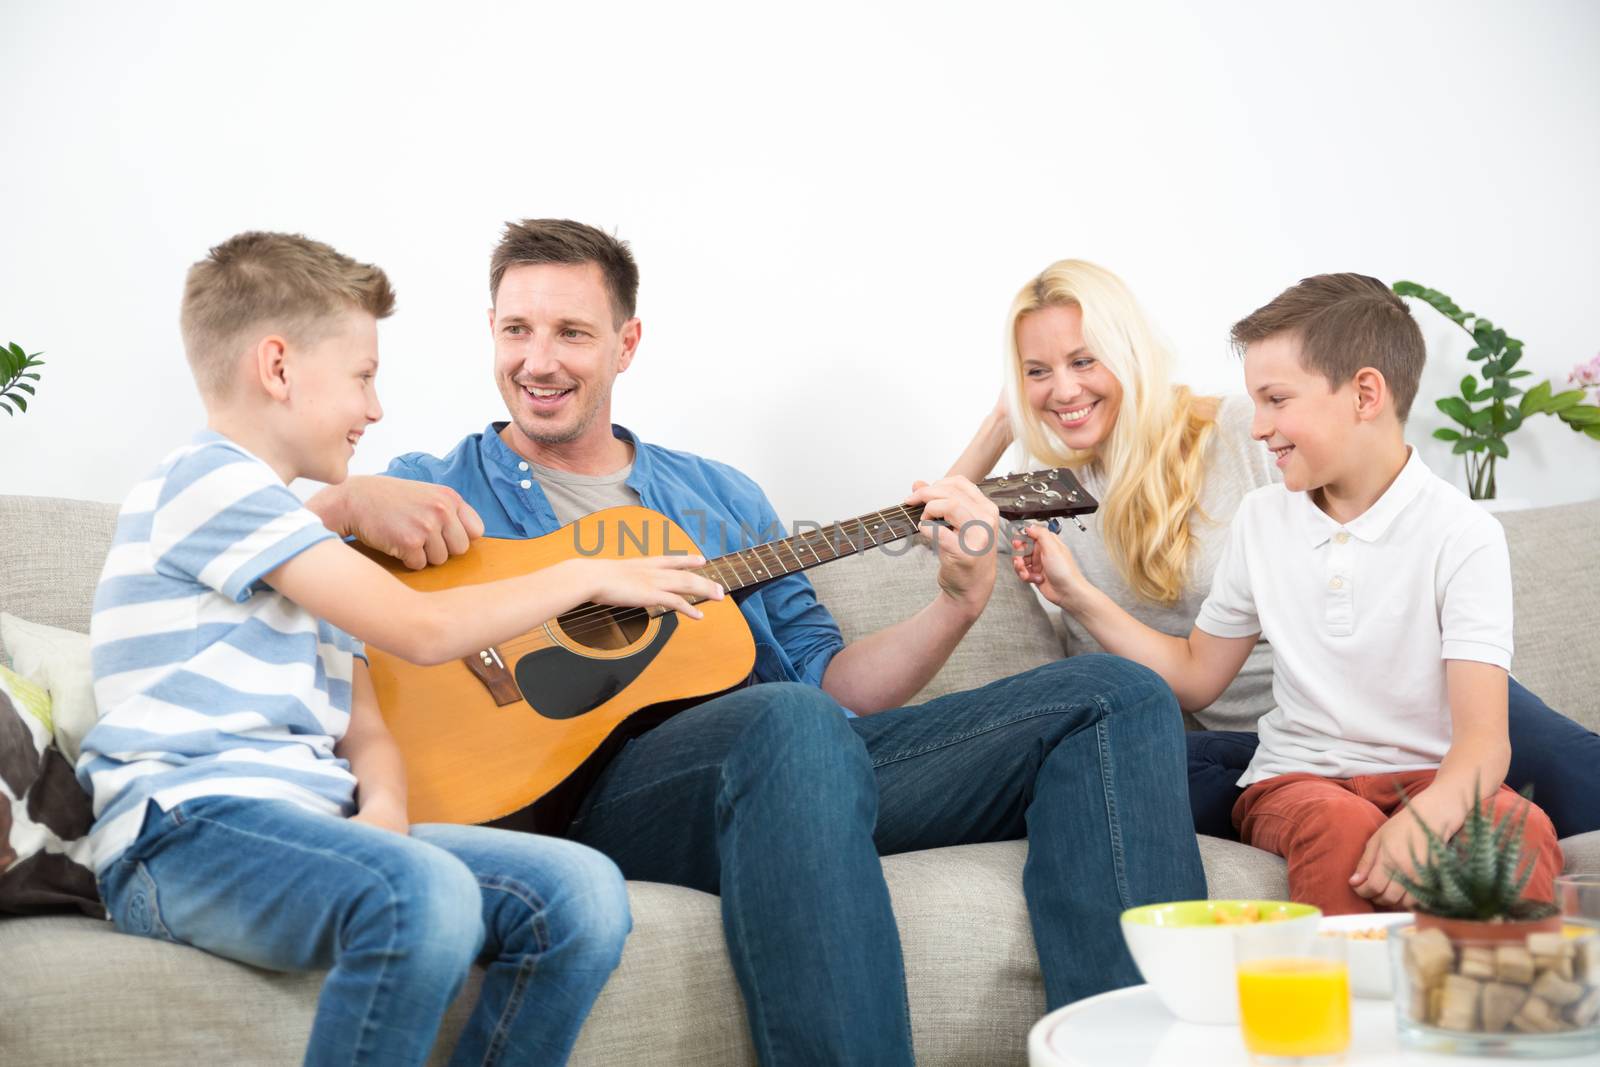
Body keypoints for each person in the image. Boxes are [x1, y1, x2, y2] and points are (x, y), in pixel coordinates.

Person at [309, 219, 1206, 1066]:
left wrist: (957, 605)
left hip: (796, 768)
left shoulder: (718, 498)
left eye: (572, 333)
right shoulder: (435, 486)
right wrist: (341, 502)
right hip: (587, 802)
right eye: (517, 329)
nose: (538, 361)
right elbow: (244, 552)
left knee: (1113, 694)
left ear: (625, 345)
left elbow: (835, 688)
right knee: (783, 719)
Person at [78, 232, 729, 1066]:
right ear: (277, 368)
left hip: (311, 830)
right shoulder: (202, 481)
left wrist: (382, 817)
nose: (377, 408)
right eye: (363, 376)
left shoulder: (313, 557)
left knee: (584, 894)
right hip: (185, 838)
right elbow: (421, 632)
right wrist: (587, 574)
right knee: (422, 895)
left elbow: (367, 729)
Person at [947, 259, 1600, 842]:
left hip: (1402, 699)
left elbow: (1385, 523)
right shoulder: (1042, 496)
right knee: (1092, 775)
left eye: (1084, 360)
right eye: (1038, 371)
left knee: (1571, 776)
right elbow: (937, 526)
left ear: (1130, 355)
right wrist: (1004, 420)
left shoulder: (1246, 431)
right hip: (1272, 743)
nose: (1063, 389)